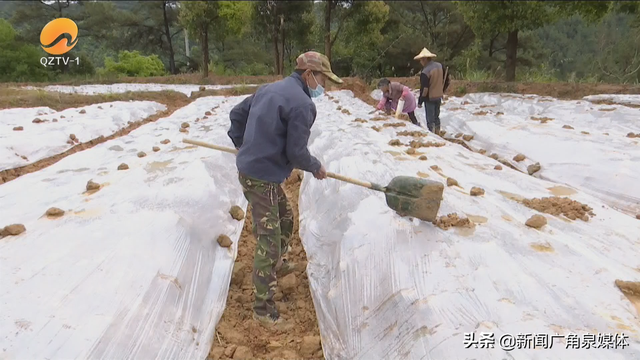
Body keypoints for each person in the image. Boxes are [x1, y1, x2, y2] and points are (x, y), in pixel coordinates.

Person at [227, 51, 342, 327]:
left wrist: (240, 142)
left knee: (286, 217)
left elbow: (236, 113)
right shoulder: (303, 104)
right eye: (323, 80)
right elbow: (296, 151)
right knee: (269, 237)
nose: (323, 87)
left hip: (253, 170)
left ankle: (276, 264)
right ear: (309, 75)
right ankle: (263, 309)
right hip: (261, 177)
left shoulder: (270, 88)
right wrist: (315, 166)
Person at [415, 47, 450, 134]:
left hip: (430, 98)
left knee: (430, 120)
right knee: (436, 117)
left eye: (421, 60)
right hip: (438, 96)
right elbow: (447, 80)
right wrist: (442, 90)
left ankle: (433, 136)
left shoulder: (425, 71)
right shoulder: (440, 66)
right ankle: (438, 133)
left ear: (425, 59)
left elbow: (425, 89)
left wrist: (420, 101)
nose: (420, 62)